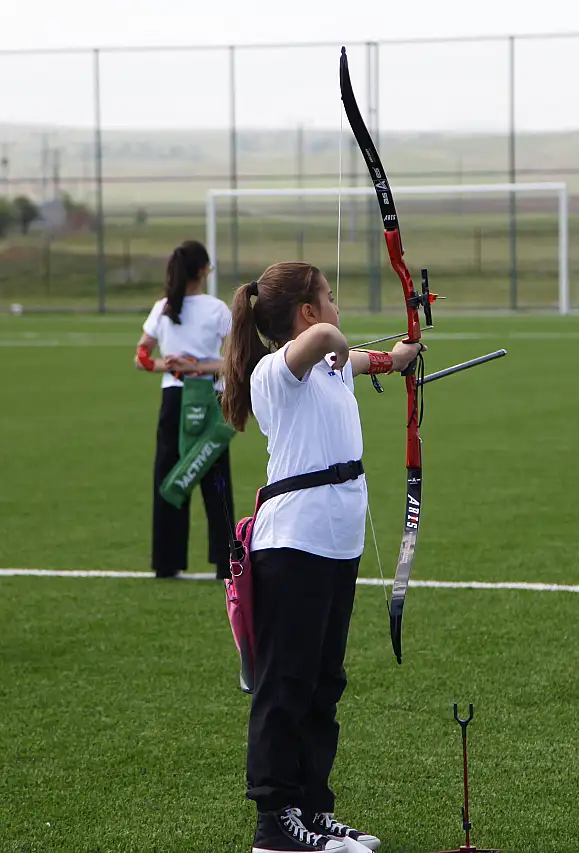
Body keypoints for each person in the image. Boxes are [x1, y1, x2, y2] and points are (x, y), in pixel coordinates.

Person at [221, 261, 420, 853]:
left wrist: (405, 352)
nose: (337, 309)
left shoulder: (331, 369)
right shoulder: (275, 373)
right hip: (293, 545)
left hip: (337, 546)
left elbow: (373, 360)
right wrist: (334, 341)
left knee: (323, 684)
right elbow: (324, 345)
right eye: (329, 299)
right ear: (306, 314)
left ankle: (310, 807)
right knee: (286, 684)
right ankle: (273, 822)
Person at [136, 239, 235, 579]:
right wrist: (201, 367)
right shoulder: (217, 309)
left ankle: (166, 561)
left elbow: (141, 357)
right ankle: (226, 562)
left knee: (168, 475)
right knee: (216, 479)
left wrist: (172, 366)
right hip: (208, 399)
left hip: (174, 400)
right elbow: (233, 362)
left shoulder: (164, 307)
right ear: (203, 270)